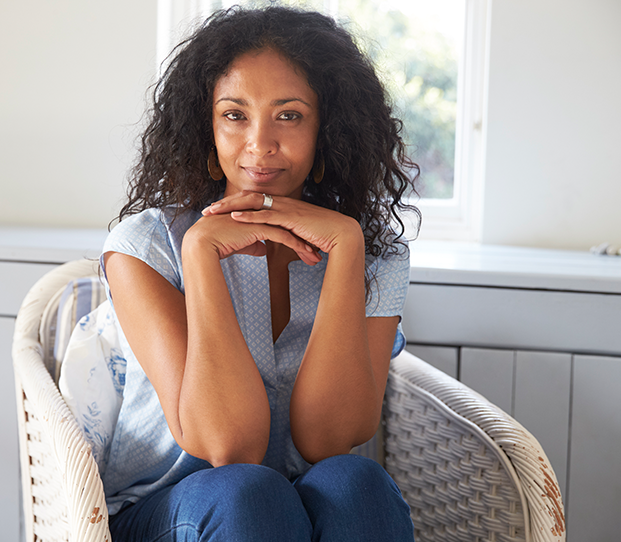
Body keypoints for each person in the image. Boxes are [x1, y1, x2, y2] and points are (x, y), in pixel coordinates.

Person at [100, 5, 419, 541]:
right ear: (208, 127)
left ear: (328, 127)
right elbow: (230, 447)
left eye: (289, 116)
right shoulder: (146, 247)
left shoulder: (375, 253)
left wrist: (345, 248)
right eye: (234, 114)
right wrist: (200, 253)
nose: (260, 143)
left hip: (294, 505)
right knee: (250, 492)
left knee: (356, 481)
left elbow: (328, 440)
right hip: (168, 510)